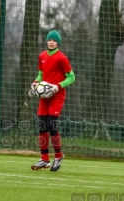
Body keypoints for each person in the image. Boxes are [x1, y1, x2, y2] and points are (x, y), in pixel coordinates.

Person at [30, 30, 75, 171]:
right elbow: (41, 74)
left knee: (51, 125)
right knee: (42, 125)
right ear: (47, 41)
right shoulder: (42, 56)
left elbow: (71, 77)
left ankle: (58, 155)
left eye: (54, 40)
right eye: (49, 40)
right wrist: (35, 83)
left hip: (56, 95)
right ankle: (44, 159)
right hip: (45, 97)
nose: (51, 42)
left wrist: (58, 86)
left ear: (58, 43)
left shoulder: (61, 58)